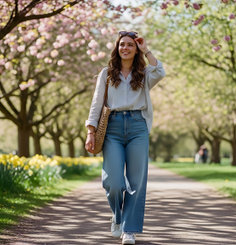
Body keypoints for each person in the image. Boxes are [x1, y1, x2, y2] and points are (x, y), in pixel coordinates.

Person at [85, 31, 165, 245]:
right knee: (113, 182)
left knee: (137, 181)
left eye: (130, 45)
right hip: (112, 127)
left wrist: (146, 49)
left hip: (138, 126)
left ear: (135, 49)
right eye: (122, 45)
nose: (126, 48)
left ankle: (129, 229)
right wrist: (90, 130)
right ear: (117, 48)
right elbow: (96, 103)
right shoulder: (107, 73)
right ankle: (117, 217)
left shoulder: (144, 73)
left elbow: (160, 70)